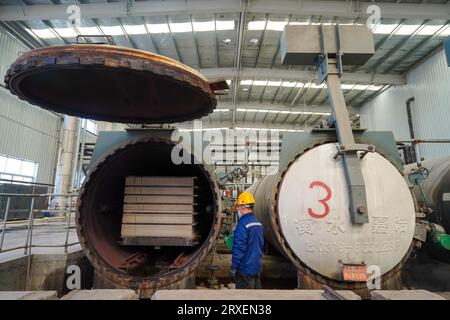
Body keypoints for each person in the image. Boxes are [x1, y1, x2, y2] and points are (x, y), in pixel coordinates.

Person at [229, 191, 264, 289]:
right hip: (256, 267)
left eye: (239, 206)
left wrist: (234, 266)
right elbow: (259, 246)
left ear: (243, 206)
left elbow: (239, 248)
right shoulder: (258, 223)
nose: (238, 209)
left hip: (245, 269)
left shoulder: (243, 224)